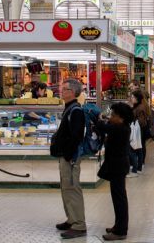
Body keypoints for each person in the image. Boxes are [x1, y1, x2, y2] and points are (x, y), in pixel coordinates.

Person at [51, 79, 87, 240]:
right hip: (66, 156)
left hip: (70, 158)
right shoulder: (69, 109)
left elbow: (77, 136)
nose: (61, 91)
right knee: (66, 188)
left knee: (72, 189)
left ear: (72, 92)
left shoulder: (76, 111)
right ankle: (71, 219)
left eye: (64, 89)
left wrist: (69, 155)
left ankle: (79, 224)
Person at [95, 102, 133, 241]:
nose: (111, 117)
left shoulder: (120, 129)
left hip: (118, 166)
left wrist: (98, 118)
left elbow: (102, 126)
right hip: (117, 165)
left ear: (121, 117)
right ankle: (118, 226)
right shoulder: (121, 126)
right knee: (117, 198)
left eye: (113, 115)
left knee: (119, 199)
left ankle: (121, 231)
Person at [129, 90, 151, 176]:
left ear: (137, 98)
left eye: (133, 97)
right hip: (139, 130)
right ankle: (138, 167)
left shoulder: (140, 108)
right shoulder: (138, 106)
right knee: (139, 147)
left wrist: (133, 121)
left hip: (139, 130)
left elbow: (141, 121)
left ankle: (137, 168)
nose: (131, 98)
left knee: (136, 148)